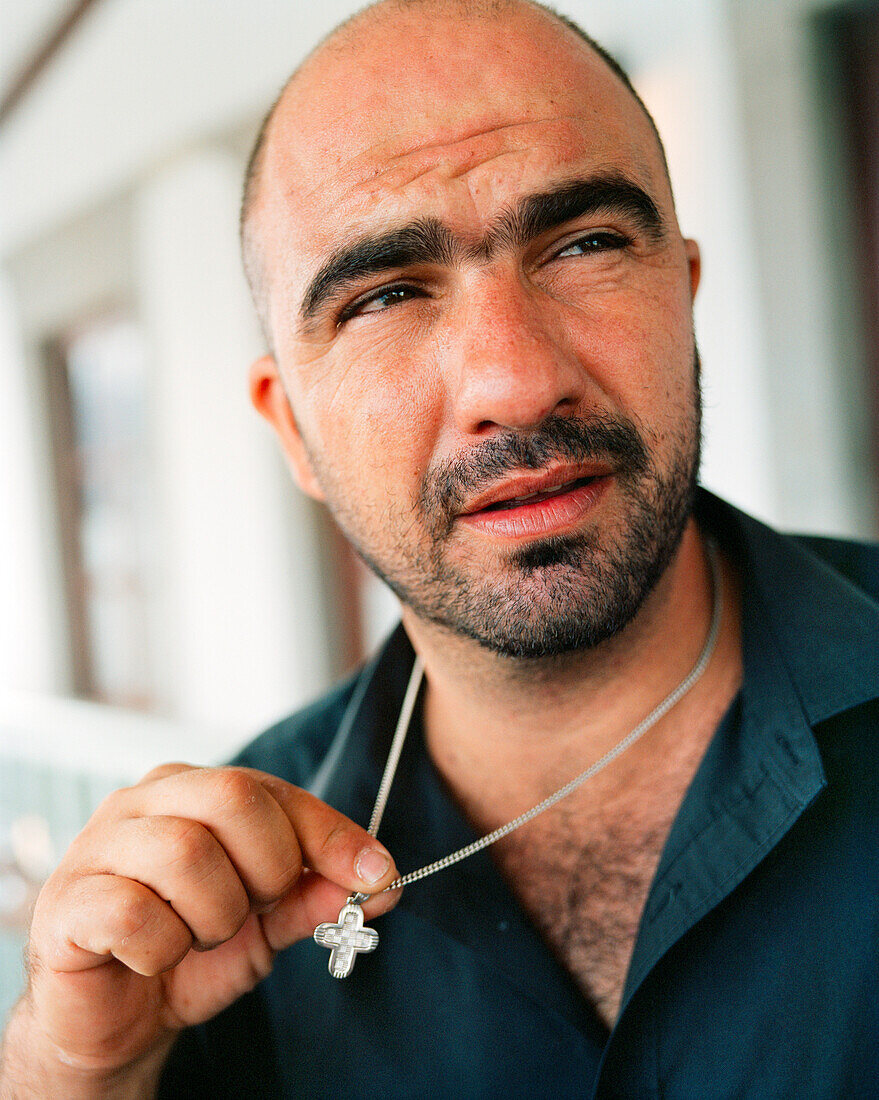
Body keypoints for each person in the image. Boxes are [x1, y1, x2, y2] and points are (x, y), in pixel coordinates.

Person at [2, 0, 878, 1096]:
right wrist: (69, 1070)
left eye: (586, 242)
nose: (514, 379)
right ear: (294, 431)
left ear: (685, 297)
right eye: (386, 295)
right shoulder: (199, 929)